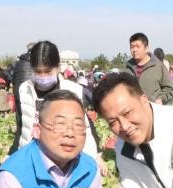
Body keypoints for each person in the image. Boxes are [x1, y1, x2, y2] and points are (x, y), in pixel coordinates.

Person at [11, 40, 106, 174]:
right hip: (31, 159)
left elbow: (85, 127)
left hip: (64, 160)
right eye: (38, 72)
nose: (43, 77)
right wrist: (12, 155)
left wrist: (95, 156)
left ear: (58, 67)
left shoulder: (73, 90)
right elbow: (22, 126)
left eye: (47, 71)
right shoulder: (24, 90)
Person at [125, 33, 173, 105]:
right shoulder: (128, 68)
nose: (134, 50)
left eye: (138, 46)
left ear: (146, 48)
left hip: (152, 109)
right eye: (132, 47)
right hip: (133, 109)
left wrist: (161, 99)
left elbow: (169, 89)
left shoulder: (158, 66)